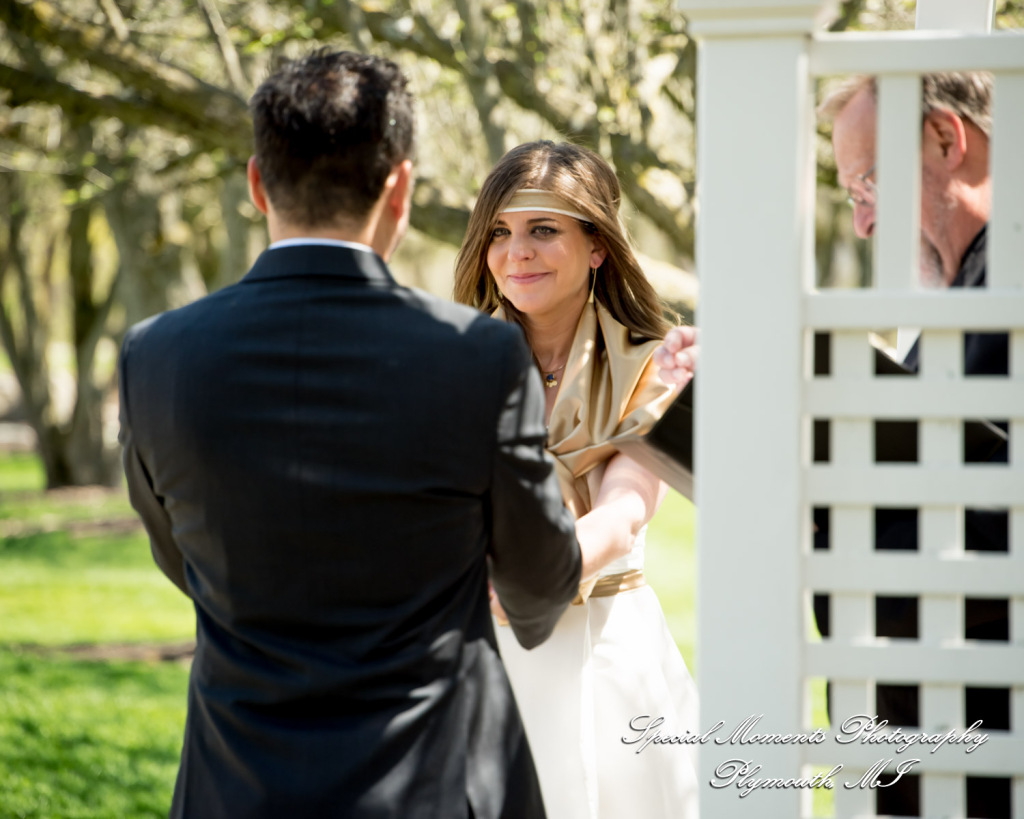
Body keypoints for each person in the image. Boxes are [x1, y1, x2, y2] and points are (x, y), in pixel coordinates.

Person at [117, 50, 582, 819]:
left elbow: (183, 558)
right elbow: (538, 578)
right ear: (400, 186)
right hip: (438, 783)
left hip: (236, 785)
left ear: (257, 183)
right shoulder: (478, 354)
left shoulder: (156, 354)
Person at [453, 141, 699, 819]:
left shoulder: (657, 365)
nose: (516, 252)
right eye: (500, 233)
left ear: (597, 245)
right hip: (484, 649)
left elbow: (623, 511)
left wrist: (533, 577)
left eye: (543, 230)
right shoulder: (454, 361)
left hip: (611, 653)